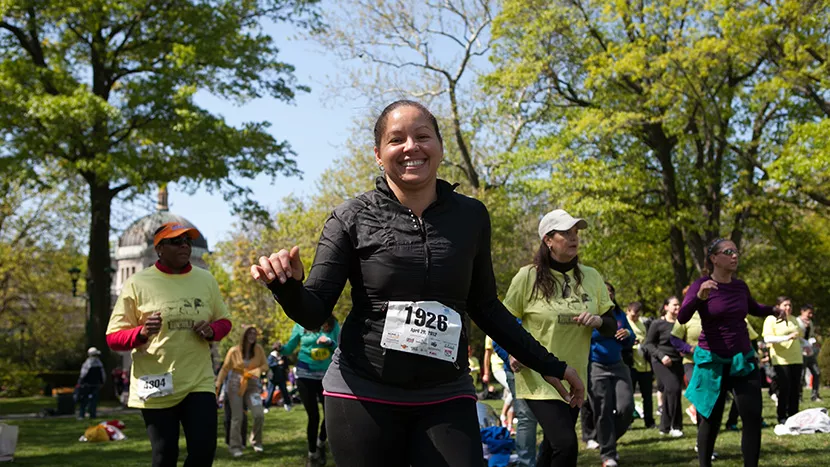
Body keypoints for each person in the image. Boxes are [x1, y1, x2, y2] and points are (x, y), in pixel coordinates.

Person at [250, 100, 583, 467]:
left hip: (445, 392)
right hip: (363, 391)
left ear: (439, 147)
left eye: (422, 136)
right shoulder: (350, 217)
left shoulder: (471, 216)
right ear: (379, 154)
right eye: (396, 140)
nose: (411, 147)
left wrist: (549, 364)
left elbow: (485, 306)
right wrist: (287, 285)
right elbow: (313, 312)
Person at [106, 222, 232, 467]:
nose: (184, 245)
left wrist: (212, 330)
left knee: (204, 452)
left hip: (199, 381)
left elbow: (224, 321)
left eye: (187, 240)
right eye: (176, 241)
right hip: (156, 381)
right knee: (165, 455)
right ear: (159, 248)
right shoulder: (138, 283)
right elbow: (113, 337)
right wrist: (141, 333)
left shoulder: (205, 279)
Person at [503, 209, 616, 467]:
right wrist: (509, 352)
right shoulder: (527, 277)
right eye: (566, 232)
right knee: (566, 445)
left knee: (552, 447)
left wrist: (598, 321)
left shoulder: (592, 276)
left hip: (575, 377)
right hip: (538, 377)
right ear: (548, 240)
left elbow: (611, 325)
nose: (574, 238)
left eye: (576, 232)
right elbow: (503, 323)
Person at [680, 238, 783, 467]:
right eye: (728, 252)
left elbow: (754, 308)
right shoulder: (701, 285)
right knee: (710, 420)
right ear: (714, 258)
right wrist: (699, 298)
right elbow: (682, 317)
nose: (735, 256)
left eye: (736, 252)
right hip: (713, 362)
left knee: (753, 417)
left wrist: (773, 310)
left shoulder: (740, 286)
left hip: (741, 360)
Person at [581, 282, 635, 466]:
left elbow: (631, 338)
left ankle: (604, 437)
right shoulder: (589, 314)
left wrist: (628, 333)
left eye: (611, 291)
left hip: (619, 365)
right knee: (602, 411)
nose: (608, 294)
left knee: (626, 408)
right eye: (604, 291)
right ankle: (608, 454)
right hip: (596, 367)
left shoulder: (619, 314)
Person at [279, 316, 339, 466]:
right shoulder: (301, 324)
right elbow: (289, 347)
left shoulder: (333, 323)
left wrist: (330, 342)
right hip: (305, 375)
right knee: (314, 416)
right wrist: (280, 348)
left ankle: (321, 442)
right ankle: (312, 454)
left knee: (330, 415)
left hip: (326, 376)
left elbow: (340, 348)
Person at [216, 326, 268, 456]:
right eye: (249, 333)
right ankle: (235, 446)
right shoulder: (234, 351)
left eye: (254, 333)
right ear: (244, 335)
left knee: (258, 414)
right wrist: (218, 384)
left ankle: (256, 442)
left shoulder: (259, 350)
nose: (252, 335)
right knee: (237, 417)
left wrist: (257, 371)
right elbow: (225, 368)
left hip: (252, 385)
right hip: (235, 385)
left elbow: (265, 365)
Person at [644, 296, 684, 438]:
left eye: (679, 305)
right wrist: (661, 356)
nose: (677, 308)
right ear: (666, 307)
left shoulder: (681, 323)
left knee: (671, 392)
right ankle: (676, 426)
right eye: (674, 305)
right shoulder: (657, 324)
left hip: (677, 362)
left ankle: (665, 426)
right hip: (661, 362)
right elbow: (648, 344)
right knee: (674, 389)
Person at [763, 296, 803, 424]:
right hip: (781, 359)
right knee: (784, 388)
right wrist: (786, 338)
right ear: (778, 306)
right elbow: (767, 339)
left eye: (790, 305)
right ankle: (782, 416)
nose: (788, 308)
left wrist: (807, 345)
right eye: (785, 305)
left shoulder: (794, 320)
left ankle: (794, 415)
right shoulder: (771, 319)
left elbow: (798, 337)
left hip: (796, 357)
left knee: (796, 389)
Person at [626, 301, 656, 429]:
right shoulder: (624, 323)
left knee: (647, 396)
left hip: (645, 365)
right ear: (628, 311)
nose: (636, 318)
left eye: (638, 315)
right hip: (631, 365)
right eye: (633, 315)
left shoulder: (643, 324)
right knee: (628, 395)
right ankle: (628, 421)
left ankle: (649, 421)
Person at [483, 336, 515, 431]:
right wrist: (486, 373)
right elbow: (487, 355)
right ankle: (503, 415)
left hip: (510, 367)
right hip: (498, 368)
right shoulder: (489, 335)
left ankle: (509, 426)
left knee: (511, 394)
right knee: (514, 390)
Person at [796, 304, 822, 402]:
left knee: (817, 372)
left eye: (811, 313)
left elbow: (810, 335)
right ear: (802, 311)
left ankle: (815, 395)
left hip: (809, 352)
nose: (810, 315)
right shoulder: (797, 321)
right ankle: (799, 397)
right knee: (801, 375)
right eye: (809, 312)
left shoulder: (810, 322)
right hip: (800, 352)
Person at [76, 347, 106, 420]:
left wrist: (80, 382)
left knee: (85, 400)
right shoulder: (99, 363)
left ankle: (82, 415)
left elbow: (83, 374)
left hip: (87, 385)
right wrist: (102, 382)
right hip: (94, 385)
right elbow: (103, 375)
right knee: (93, 401)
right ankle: (92, 415)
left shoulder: (87, 363)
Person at [264, 342, 292, 412]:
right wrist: (277, 363)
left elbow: (286, 365)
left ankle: (287, 404)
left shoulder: (283, 356)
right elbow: (269, 365)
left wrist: (286, 369)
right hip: (273, 378)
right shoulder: (271, 356)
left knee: (284, 392)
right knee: (270, 392)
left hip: (281, 377)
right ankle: (266, 407)